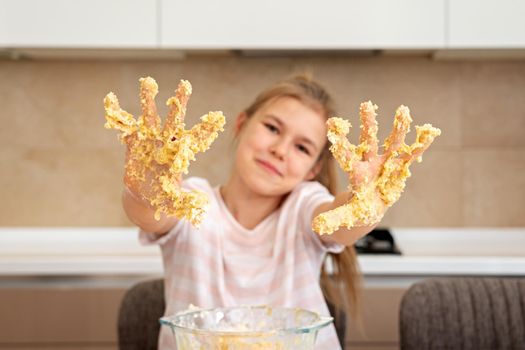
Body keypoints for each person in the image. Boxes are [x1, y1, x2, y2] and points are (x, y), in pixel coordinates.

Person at [122, 75, 383, 349]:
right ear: (241, 124)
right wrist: (147, 189)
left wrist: (365, 203)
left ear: (313, 171)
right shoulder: (193, 203)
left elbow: (342, 221)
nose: (280, 150)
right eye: (272, 128)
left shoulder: (304, 206)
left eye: (302, 148)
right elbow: (152, 211)